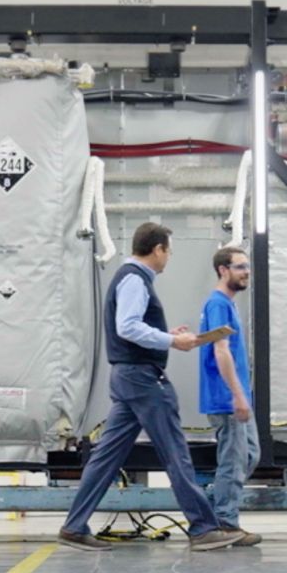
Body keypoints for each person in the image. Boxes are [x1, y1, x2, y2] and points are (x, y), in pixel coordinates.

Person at [59, 222, 244, 552]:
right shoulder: (134, 278)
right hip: (143, 379)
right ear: (157, 249)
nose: (169, 257)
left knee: (106, 457)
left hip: (129, 377)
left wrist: (166, 334)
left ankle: (74, 527)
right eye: (168, 251)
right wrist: (173, 340)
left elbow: (133, 326)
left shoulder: (131, 277)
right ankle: (203, 528)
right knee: (175, 453)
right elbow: (127, 327)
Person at [198, 245, 262, 546]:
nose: (246, 271)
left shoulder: (226, 304)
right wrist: (237, 395)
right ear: (223, 270)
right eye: (239, 267)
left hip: (236, 397)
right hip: (226, 399)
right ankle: (225, 523)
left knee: (250, 455)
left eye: (247, 266)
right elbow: (220, 351)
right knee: (234, 461)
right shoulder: (218, 304)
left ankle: (219, 508)